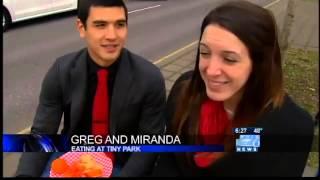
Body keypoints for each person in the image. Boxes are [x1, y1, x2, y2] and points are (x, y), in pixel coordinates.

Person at [152, 1, 314, 177]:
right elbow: (168, 160)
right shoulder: (183, 92)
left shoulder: (291, 127)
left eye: (229, 59)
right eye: (205, 53)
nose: (211, 71)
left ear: (261, 64)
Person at [15, 0, 166, 177]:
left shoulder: (150, 78)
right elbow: (42, 133)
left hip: (121, 165)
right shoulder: (61, 71)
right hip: (71, 158)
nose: (112, 35)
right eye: (100, 25)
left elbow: (149, 146)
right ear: (81, 27)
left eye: (120, 25)